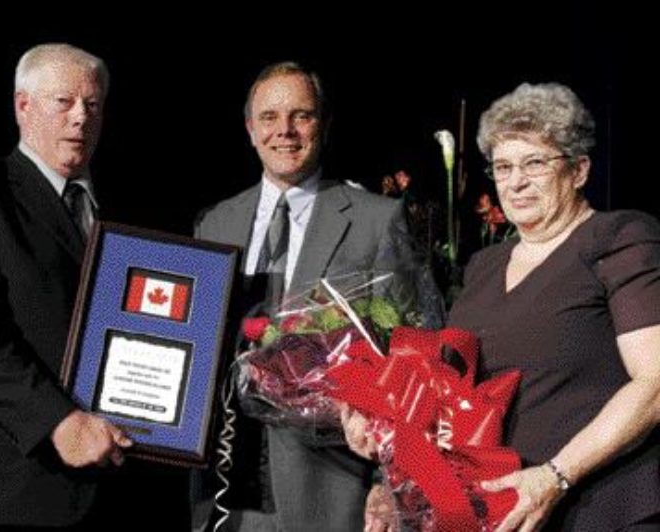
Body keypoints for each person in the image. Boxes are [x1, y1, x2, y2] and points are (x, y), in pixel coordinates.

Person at [347, 82, 660, 531]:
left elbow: (654, 385)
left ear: (579, 170)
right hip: (501, 515)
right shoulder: (484, 266)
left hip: (603, 512)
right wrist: (397, 479)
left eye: (535, 163)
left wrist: (555, 477)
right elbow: (448, 400)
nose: (516, 182)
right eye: (503, 167)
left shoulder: (619, 238)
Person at [190, 61, 443, 532]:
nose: (284, 131)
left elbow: (416, 359)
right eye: (268, 117)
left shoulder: (376, 220)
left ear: (323, 126)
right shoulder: (216, 223)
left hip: (331, 489)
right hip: (226, 488)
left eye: (300, 116)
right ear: (249, 129)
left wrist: (391, 483)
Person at [0, 43, 134, 531]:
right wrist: (58, 420)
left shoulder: (128, 213)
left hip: (110, 489)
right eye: (64, 102)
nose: (81, 117)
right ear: (23, 106)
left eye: (93, 105)